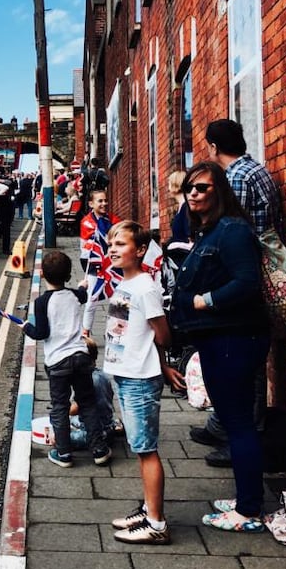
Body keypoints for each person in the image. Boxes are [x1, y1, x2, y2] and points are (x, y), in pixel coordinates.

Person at [170, 162, 270, 533]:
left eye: (203, 188)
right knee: (233, 421)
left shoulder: (232, 231)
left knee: (239, 423)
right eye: (190, 189)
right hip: (218, 339)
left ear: (221, 192)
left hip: (234, 339)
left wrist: (204, 301)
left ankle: (248, 510)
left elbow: (247, 282)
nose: (194, 194)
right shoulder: (210, 232)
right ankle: (248, 496)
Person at [191, 119, 283, 467]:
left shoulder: (237, 179)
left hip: (243, 278)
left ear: (214, 146)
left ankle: (245, 436)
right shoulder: (254, 170)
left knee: (245, 366)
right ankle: (224, 425)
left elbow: (229, 226)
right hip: (249, 271)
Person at [103, 220, 182, 544]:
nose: (112, 249)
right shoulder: (126, 284)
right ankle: (149, 507)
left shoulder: (146, 287)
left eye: (120, 244)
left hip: (138, 379)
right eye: (111, 244)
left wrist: (158, 364)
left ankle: (156, 524)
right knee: (139, 448)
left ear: (139, 250)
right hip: (126, 373)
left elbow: (162, 334)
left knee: (146, 450)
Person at [22, 250, 112, 469]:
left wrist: (27, 327)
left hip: (58, 362)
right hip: (81, 357)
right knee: (87, 403)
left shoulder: (42, 302)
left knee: (60, 407)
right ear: (68, 275)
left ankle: (63, 453)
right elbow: (82, 293)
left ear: (42, 274)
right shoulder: (73, 295)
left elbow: (41, 333)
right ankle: (99, 450)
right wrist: (83, 285)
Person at [79, 189, 121, 335]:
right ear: (91, 203)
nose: (104, 203)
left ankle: (115, 330)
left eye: (105, 200)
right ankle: (85, 331)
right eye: (100, 201)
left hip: (113, 265)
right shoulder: (86, 223)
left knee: (116, 299)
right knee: (92, 299)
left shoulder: (114, 220)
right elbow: (84, 249)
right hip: (95, 265)